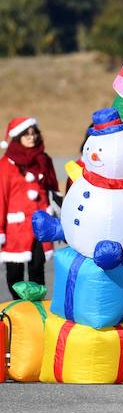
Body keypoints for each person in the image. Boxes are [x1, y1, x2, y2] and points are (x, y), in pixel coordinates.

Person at [0, 117, 58, 299]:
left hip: (40, 226)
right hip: (15, 229)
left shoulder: (44, 160)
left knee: (37, 271)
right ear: (17, 138)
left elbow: (53, 189)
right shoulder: (5, 165)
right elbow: (1, 198)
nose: (32, 138)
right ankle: (18, 307)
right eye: (27, 135)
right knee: (14, 274)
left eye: (34, 134)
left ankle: (35, 309)